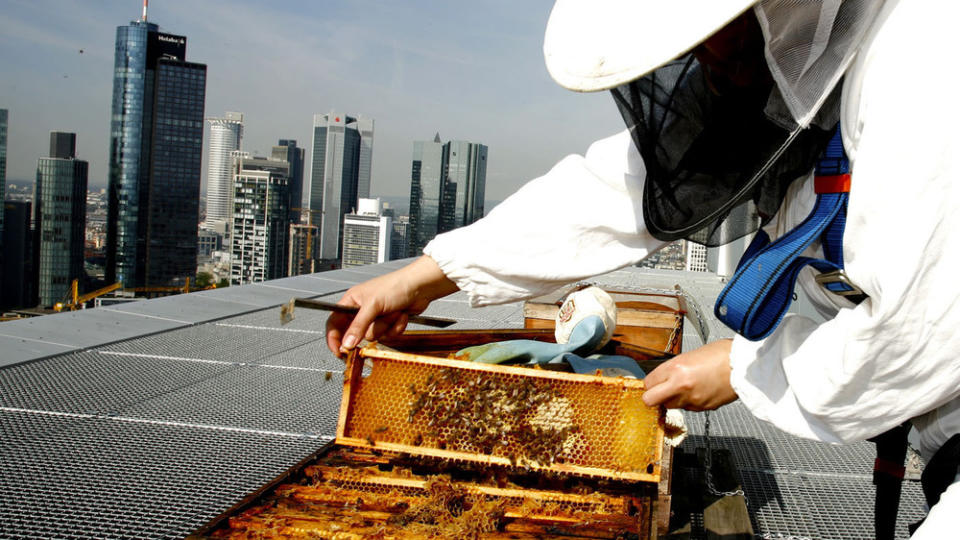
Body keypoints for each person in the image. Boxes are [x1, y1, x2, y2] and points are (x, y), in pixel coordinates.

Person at [327, 0, 960, 536]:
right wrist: (424, 275)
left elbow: (921, 332)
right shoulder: (800, 73)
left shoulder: (927, 56)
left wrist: (741, 366)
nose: (705, 59)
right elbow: (618, 189)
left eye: (716, 34)